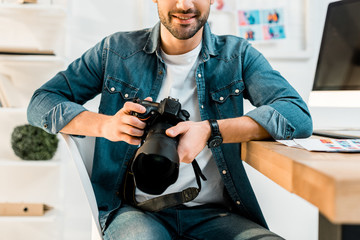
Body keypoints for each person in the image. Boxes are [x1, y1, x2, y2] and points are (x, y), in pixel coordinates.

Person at [27, 0, 312, 239]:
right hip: (133, 211)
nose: (184, 5)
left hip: (217, 214)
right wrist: (106, 125)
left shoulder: (237, 56)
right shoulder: (116, 52)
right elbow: (42, 102)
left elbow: (296, 114)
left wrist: (211, 130)